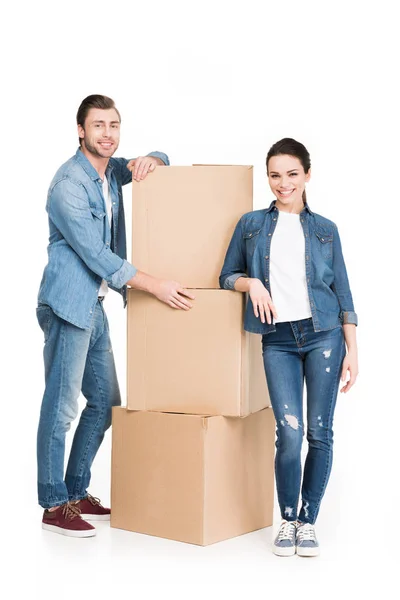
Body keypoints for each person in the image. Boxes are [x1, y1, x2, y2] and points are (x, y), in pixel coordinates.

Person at [37, 94, 194, 538]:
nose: (107, 133)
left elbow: (157, 161)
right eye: (98, 126)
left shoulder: (109, 173)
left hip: (94, 305)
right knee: (62, 406)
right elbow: (98, 256)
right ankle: (52, 503)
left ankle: (75, 489)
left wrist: (152, 158)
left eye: (114, 125)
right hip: (68, 303)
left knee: (106, 404)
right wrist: (156, 285)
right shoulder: (69, 184)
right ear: (80, 131)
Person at [219, 138, 358, 557]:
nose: (283, 183)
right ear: (268, 177)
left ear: (307, 175)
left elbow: (344, 294)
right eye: (275, 175)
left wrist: (354, 350)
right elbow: (227, 275)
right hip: (277, 339)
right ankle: (287, 518)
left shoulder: (325, 230)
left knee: (319, 432)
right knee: (289, 434)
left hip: (324, 336)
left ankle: (308, 522)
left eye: (292, 174)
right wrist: (252, 282)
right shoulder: (251, 225)